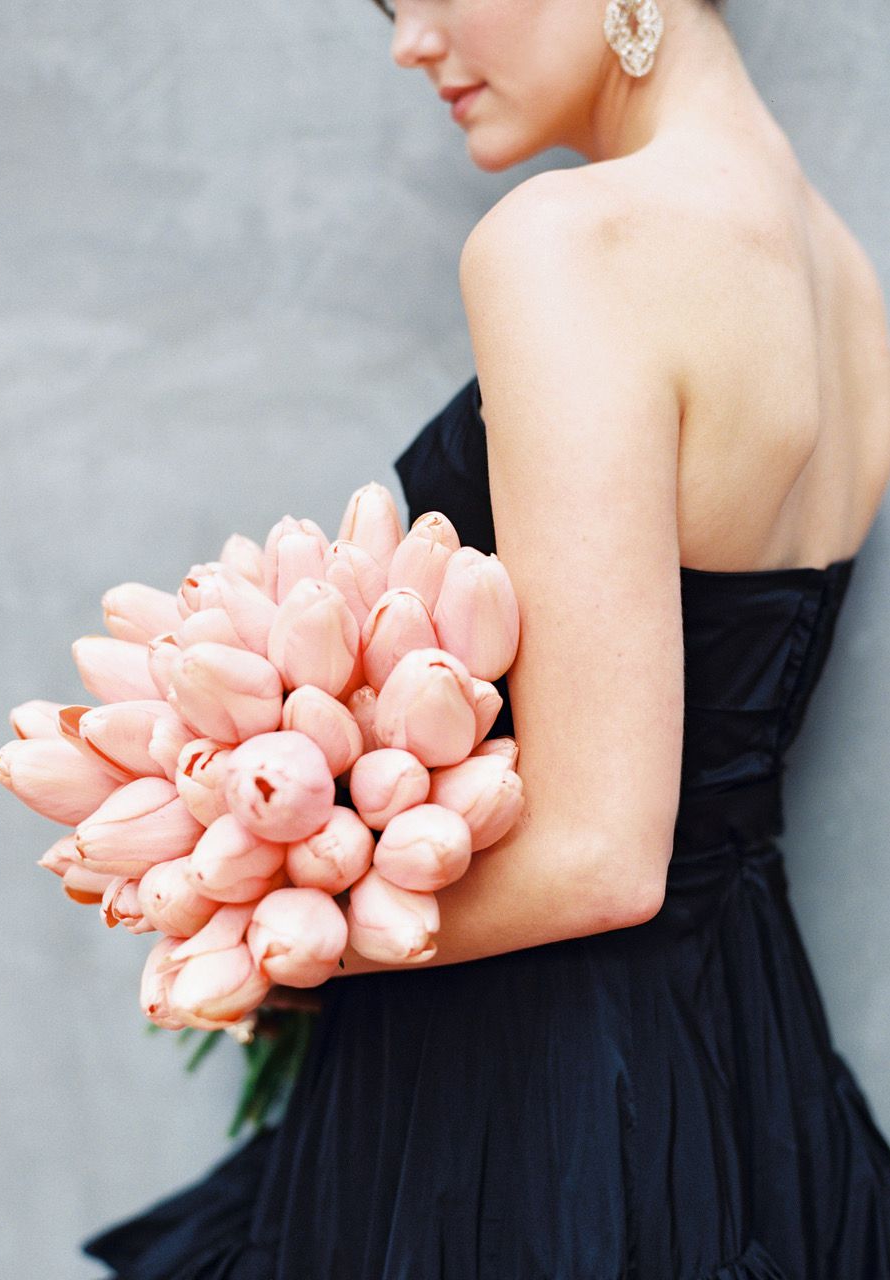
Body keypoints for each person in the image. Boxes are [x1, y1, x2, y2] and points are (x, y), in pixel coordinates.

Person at [82, 0, 890, 1275]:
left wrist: (257, 931)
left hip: (533, 1102)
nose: (408, 42)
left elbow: (599, 856)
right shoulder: (843, 277)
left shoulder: (568, 245)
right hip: (750, 1051)